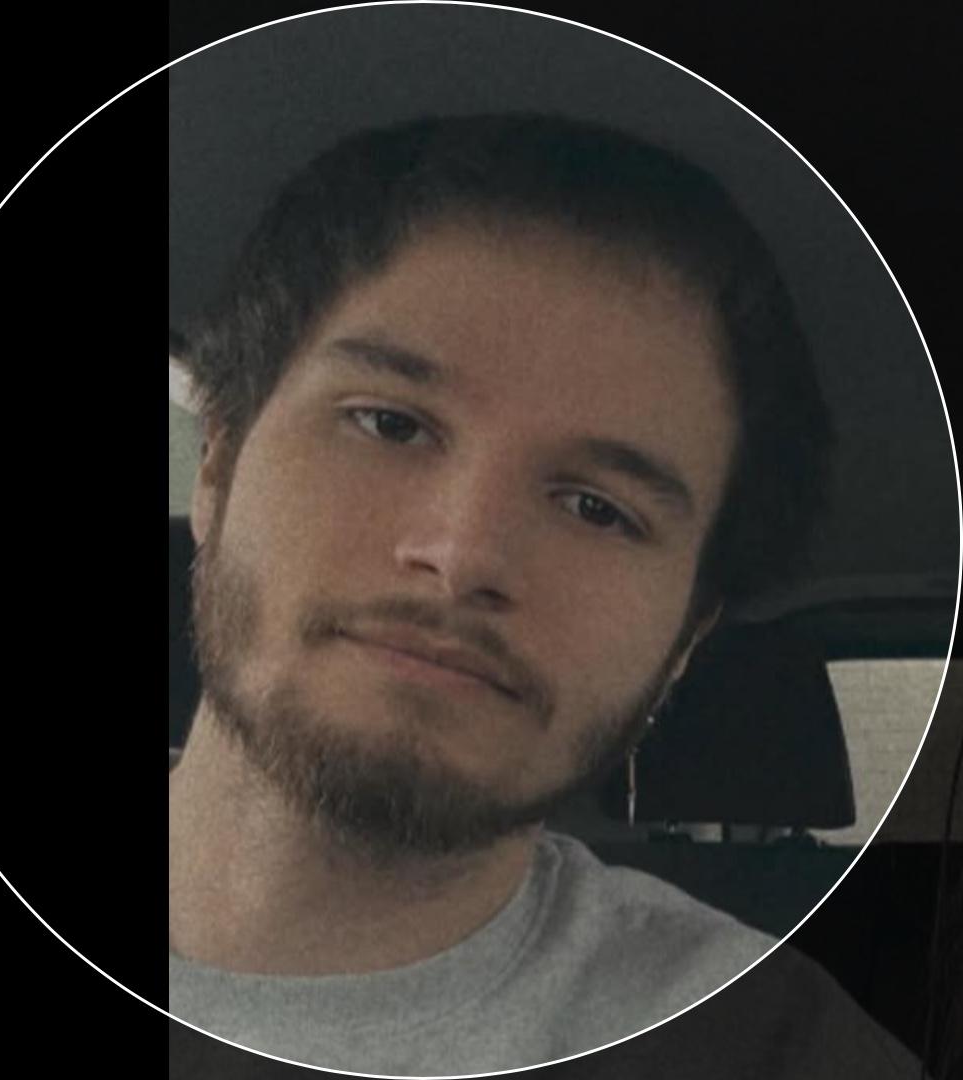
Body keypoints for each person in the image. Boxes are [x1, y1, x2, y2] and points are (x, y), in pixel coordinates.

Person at [168, 113, 918, 1076]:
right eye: (390, 424)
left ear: (686, 640)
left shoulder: (778, 1051)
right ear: (219, 464)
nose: (461, 555)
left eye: (597, 509)